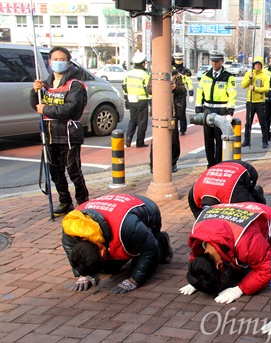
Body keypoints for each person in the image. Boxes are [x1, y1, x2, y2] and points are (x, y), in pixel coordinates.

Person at [61, 193, 173, 293]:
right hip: (116, 216)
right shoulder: (72, 226)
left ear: (101, 252)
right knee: (107, 269)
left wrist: (135, 280)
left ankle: (162, 241)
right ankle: (128, 250)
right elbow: (72, 252)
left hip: (146, 209)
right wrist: (83, 275)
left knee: (147, 261)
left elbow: (149, 249)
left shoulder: (126, 227)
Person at [178, 203, 271, 304]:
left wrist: (240, 289)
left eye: (221, 275)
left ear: (219, 265)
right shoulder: (197, 239)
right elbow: (196, 256)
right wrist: (197, 279)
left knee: (249, 273)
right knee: (236, 269)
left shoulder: (246, 242)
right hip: (232, 216)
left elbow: (265, 269)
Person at [31, 46, 89, 216]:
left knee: (74, 171)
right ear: (49, 63)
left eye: (62, 59)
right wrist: (35, 92)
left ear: (68, 62)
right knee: (56, 172)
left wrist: (46, 110)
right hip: (49, 135)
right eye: (55, 59)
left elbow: (70, 109)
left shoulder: (75, 85)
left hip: (69, 135)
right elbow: (36, 106)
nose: (58, 62)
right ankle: (65, 201)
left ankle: (83, 202)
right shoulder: (45, 86)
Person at [195, 51, 237, 167]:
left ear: (222, 62)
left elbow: (232, 95)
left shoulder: (228, 77)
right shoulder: (206, 75)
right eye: (213, 61)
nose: (214, 63)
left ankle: (218, 164)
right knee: (208, 141)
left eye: (217, 61)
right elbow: (200, 92)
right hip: (207, 111)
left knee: (219, 141)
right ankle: (210, 164)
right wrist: (198, 109)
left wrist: (229, 113)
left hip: (221, 112)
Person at [187, 160, 266, 219]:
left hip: (246, 170)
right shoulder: (194, 194)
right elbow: (197, 214)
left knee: (251, 206)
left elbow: (255, 211)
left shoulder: (234, 194)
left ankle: (257, 192)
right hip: (222, 167)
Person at [123, 51, 151, 148]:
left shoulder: (128, 73)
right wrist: (151, 101)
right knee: (142, 122)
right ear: (143, 63)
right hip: (142, 100)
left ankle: (129, 137)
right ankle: (140, 142)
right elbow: (149, 89)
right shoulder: (145, 75)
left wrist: (126, 99)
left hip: (131, 100)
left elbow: (124, 87)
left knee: (133, 120)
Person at [242, 56, 270, 148]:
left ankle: (265, 141)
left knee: (263, 122)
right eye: (256, 64)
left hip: (260, 102)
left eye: (259, 64)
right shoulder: (249, 73)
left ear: (261, 65)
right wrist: (249, 78)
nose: (257, 66)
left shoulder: (264, 76)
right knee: (248, 123)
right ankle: (246, 140)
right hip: (250, 102)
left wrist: (255, 89)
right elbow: (243, 85)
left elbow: (266, 88)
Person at [172, 53, 194, 136]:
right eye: (177, 60)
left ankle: (183, 129)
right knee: (173, 113)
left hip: (181, 93)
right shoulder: (171, 69)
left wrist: (191, 94)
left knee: (181, 112)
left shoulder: (185, 71)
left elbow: (189, 83)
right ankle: (174, 128)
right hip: (173, 93)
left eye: (180, 59)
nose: (178, 61)